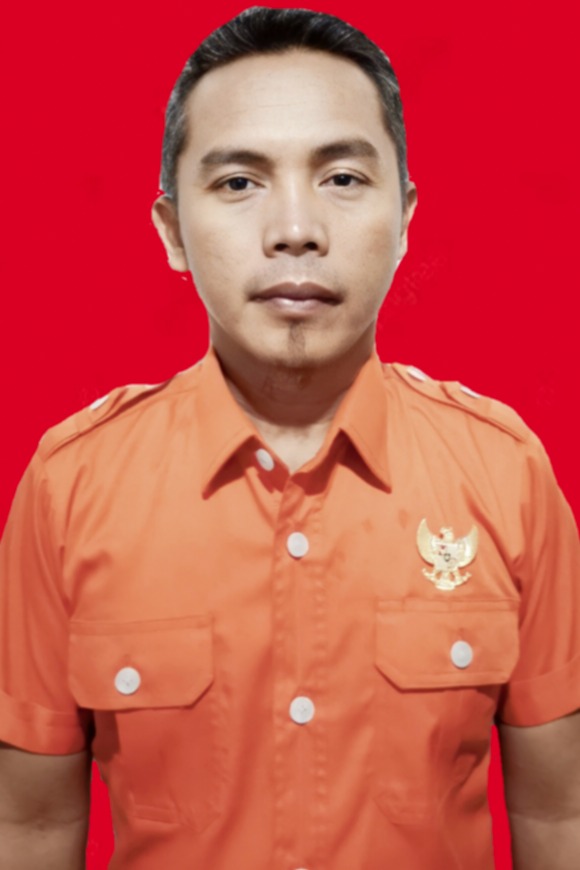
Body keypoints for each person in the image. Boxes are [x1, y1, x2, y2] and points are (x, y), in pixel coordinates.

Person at [0, 6, 579, 869]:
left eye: (342, 177)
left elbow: (559, 813)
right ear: (172, 232)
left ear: (405, 217)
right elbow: (31, 824)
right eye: (240, 182)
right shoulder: (69, 486)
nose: (296, 228)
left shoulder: (507, 473)